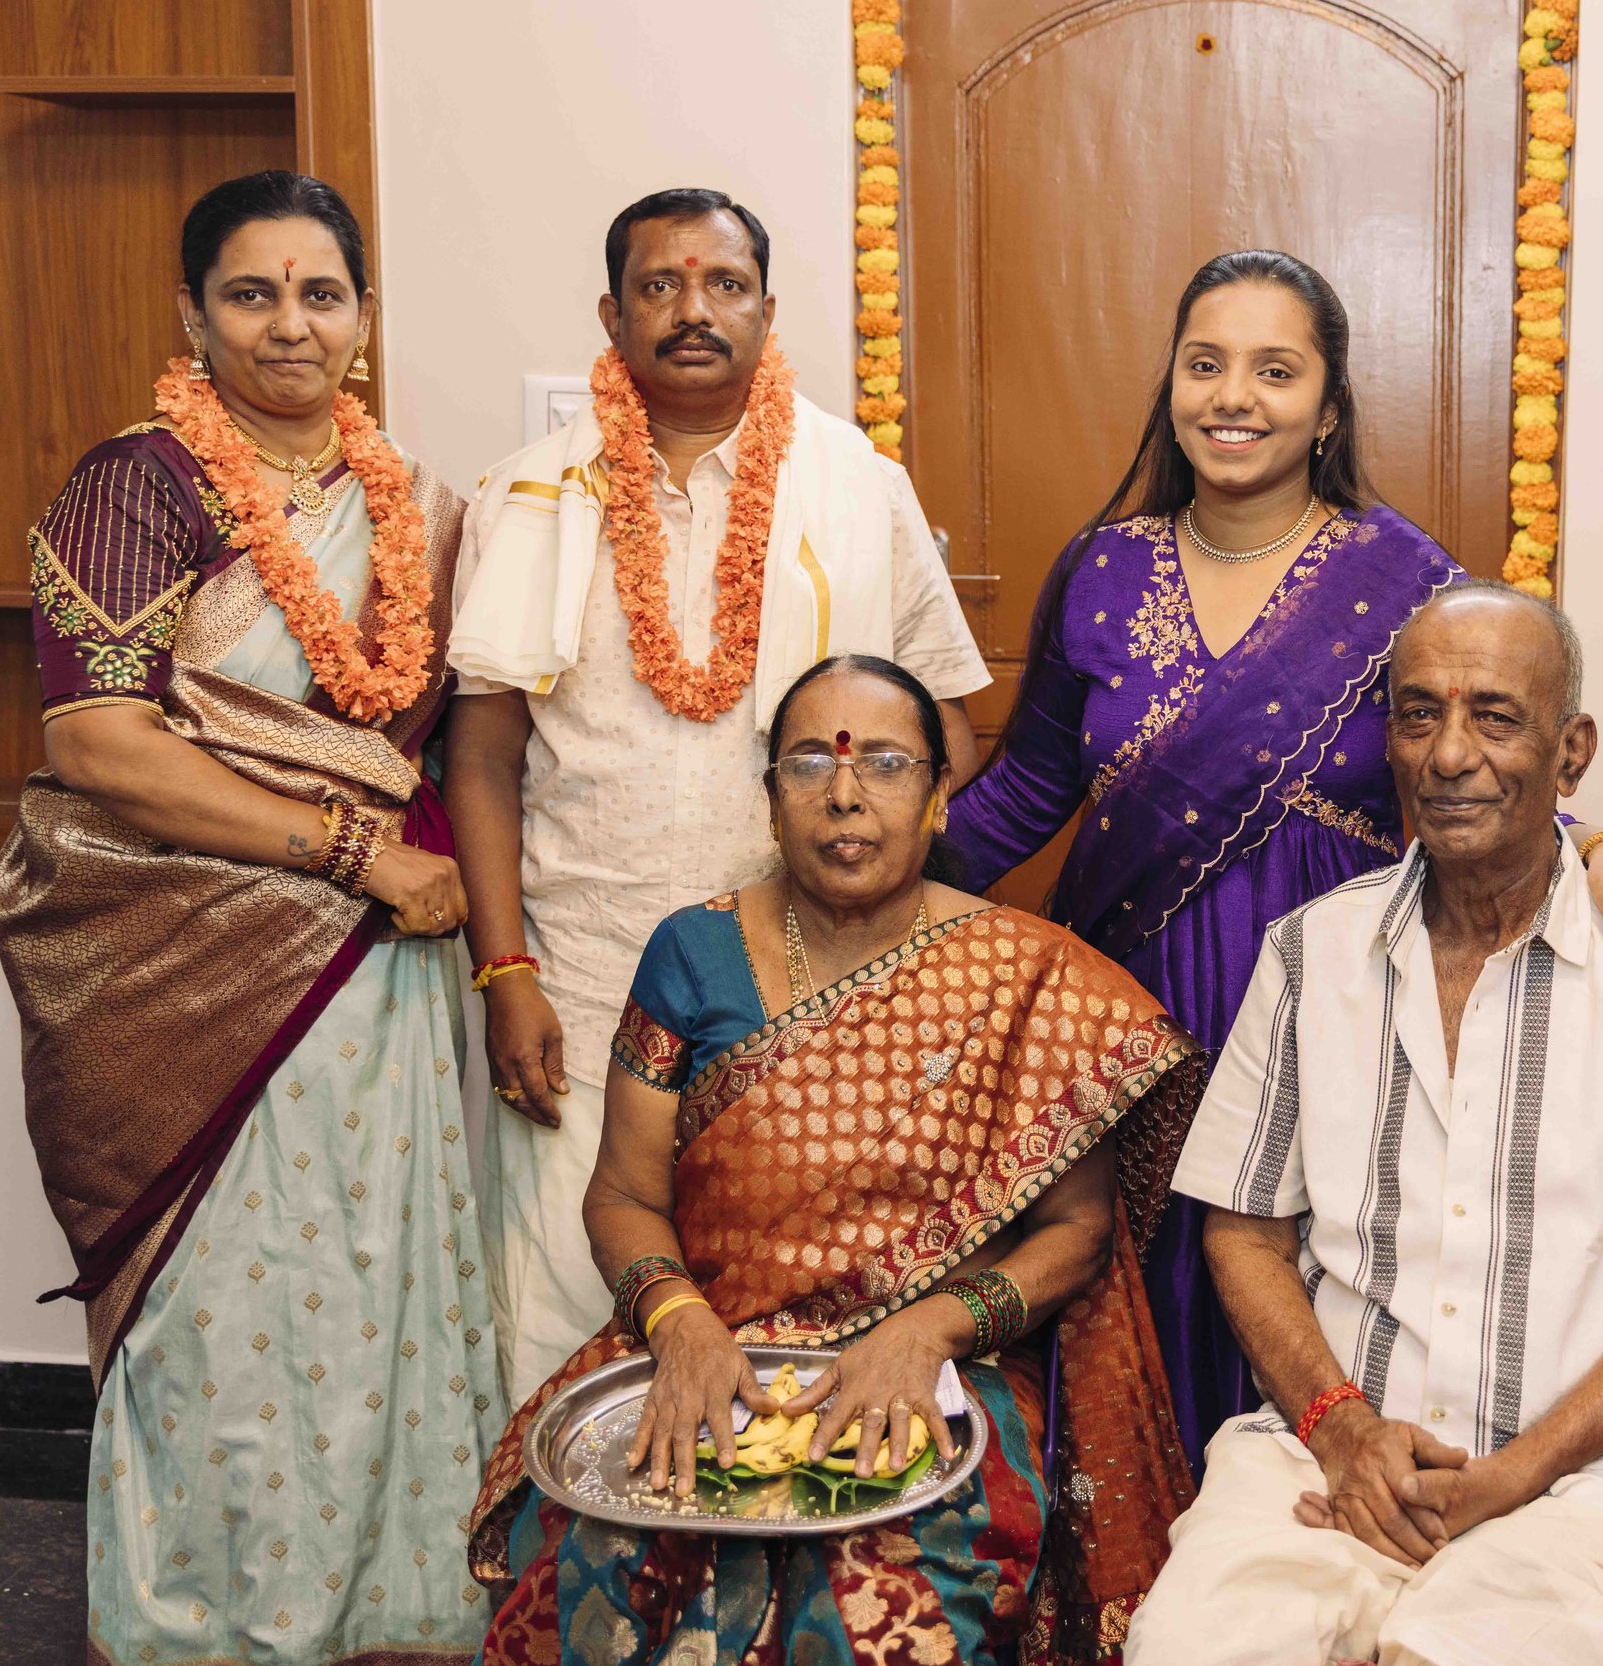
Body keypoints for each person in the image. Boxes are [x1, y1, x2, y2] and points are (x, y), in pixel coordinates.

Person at [941, 250, 1603, 1465]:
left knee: (1306, 1290)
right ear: (1172, 387)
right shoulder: (1102, 568)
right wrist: (864, 877)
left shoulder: (1400, 580)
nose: (1233, 396)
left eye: (1274, 370)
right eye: (1205, 364)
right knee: (1136, 1303)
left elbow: (1473, 772)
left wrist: (1597, 836)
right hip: (1129, 1013)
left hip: (1337, 1008)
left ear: (1329, 406)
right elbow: (1027, 789)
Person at [0, 171, 499, 1666]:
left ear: (364, 315)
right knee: (223, 1309)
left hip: (370, 973)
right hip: (184, 964)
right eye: (251, 292)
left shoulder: (418, 504)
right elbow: (101, 743)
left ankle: (385, 1613)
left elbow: (461, 737)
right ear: (192, 313)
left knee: (372, 1286)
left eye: (319, 292)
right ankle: (206, 1627)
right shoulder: (138, 485)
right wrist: (350, 849)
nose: (289, 323)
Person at [470, 654, 1202, 1666]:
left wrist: (929, 1331)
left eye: (886, 763)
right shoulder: (691, 952)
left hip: (945, 1362)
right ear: (772, 801)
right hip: (716, 1345)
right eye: (809, 761)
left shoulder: (1029, 975)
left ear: (938, 796)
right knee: (600, 1560)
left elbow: (1077, 1233)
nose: (845, 792)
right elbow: (625, 1194)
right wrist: (681, 1325)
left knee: (882, 1596)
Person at [1130, 584, 1603, 1666]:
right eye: (1418, 714)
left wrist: (1515, 1473)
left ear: (1571, 752)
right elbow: (1243, 1233)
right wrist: (1343, 1428)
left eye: (1494, 715)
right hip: (1324, 1465)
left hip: (1581, 1490)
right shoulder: (1310, 953)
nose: (1449, 754)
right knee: (1189, 1646)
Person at [446, 189, 992, 1399]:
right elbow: (479, 759)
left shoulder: (861, 487)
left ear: (766, 309)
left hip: (815, 989)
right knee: (561, 1331)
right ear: (612, 314)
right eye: (660, 285)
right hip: (582, 983)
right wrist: (505, 971)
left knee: (795, 1334)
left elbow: (947, 733)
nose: (693, 310)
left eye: (724, 284)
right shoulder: (528, 496)